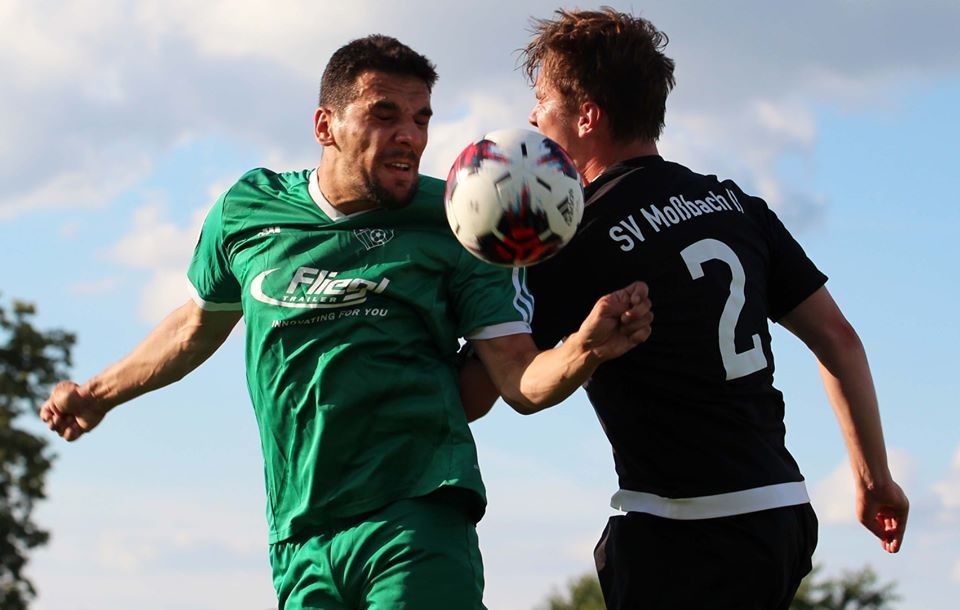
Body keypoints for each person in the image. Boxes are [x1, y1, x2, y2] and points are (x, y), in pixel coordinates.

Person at [39, 35, 652, 610]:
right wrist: (96, 395)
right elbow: (194, 326)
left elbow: (518, 381)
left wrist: (583, 349)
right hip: (296, 534)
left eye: (421, 119)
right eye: (385, 116)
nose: (409, 136)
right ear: (324, 125)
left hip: (415, 516)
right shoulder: (247, 210)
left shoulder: (461, 223)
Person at [512, 8, 909, 610]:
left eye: (542, 100)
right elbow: (840, 340)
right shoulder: (734, 203)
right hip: (779, 513)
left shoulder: (575, 239)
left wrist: (495, 277)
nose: (534, 118)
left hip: (682, 528)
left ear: (587, 115)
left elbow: (516, 385)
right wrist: (873, 478)